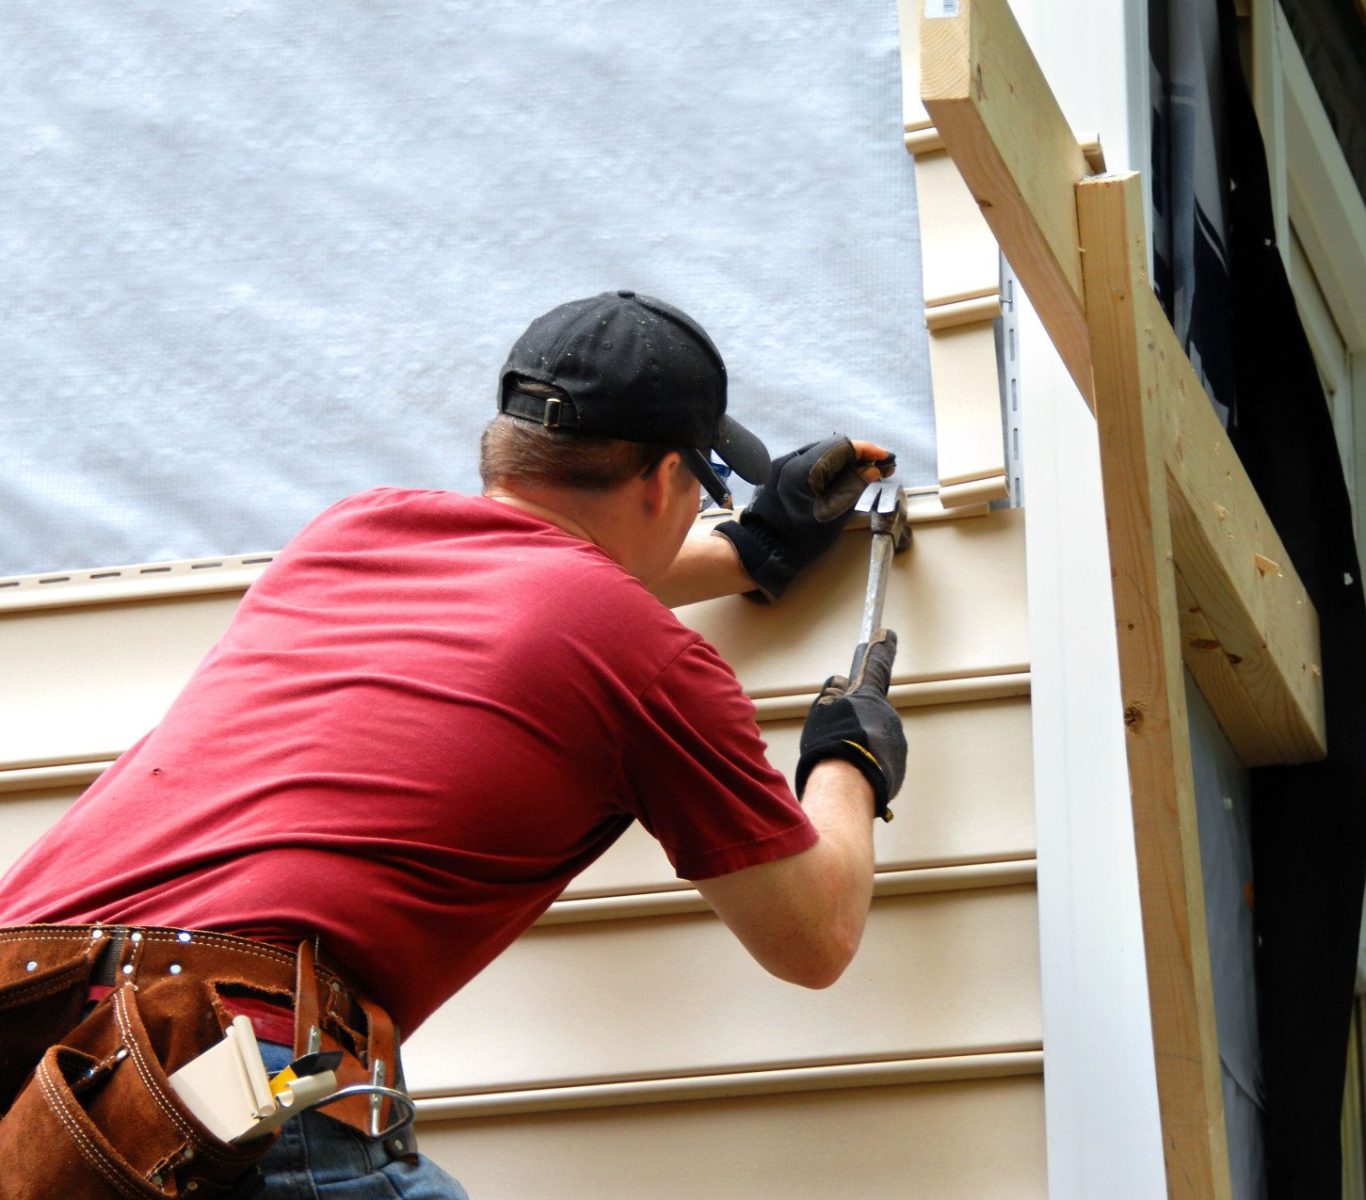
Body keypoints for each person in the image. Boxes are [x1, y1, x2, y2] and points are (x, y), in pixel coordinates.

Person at [0, 289, 907, 1198]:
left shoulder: (350, 535)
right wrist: (849, 761)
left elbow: (533, 590)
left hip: (35, 1043)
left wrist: (754, 549)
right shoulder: (644, 656)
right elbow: (813, 937)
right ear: (664, 482)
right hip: (217, 1067)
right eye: (705, 489)